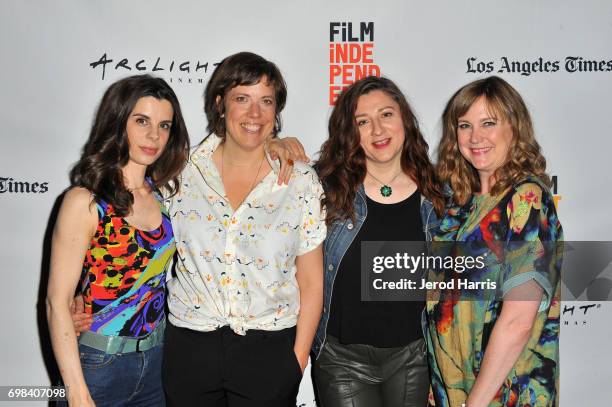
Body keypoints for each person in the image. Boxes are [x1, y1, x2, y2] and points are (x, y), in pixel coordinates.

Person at [161, 51, 326, 407]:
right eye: (242, 99)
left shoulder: (300, 182)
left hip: (269, 350)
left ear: (277, 111)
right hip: (190, 348)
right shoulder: (181, 171)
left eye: (266, 101)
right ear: (220, 104)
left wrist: (295, 363)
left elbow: (312, 284)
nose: (255, 114)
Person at [275, 75, 446, 406]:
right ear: (350, 133)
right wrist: (273, 146)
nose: (377, 130)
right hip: (341, 360)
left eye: (386, 115)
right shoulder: (323, 189)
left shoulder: (440, 195)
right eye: (362, 122)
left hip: (414, 356)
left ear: (405, 119)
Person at [46, 74, 190, 406]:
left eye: (165, 125)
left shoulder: (164, 194)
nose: (154, 135)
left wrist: (275, 142)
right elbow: (57, 303)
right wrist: (78, 393)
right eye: (142, 121)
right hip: (98, 365)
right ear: (118, 122)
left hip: (156, 361)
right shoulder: (85, 201)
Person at [426, 76, 563, 407]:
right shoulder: (458, 203)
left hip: (503, 395)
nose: (476, 137)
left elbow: (518, 320)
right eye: (464, 125)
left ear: (513, 128)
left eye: (489, 123)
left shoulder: (526, 199)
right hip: (450, 390)